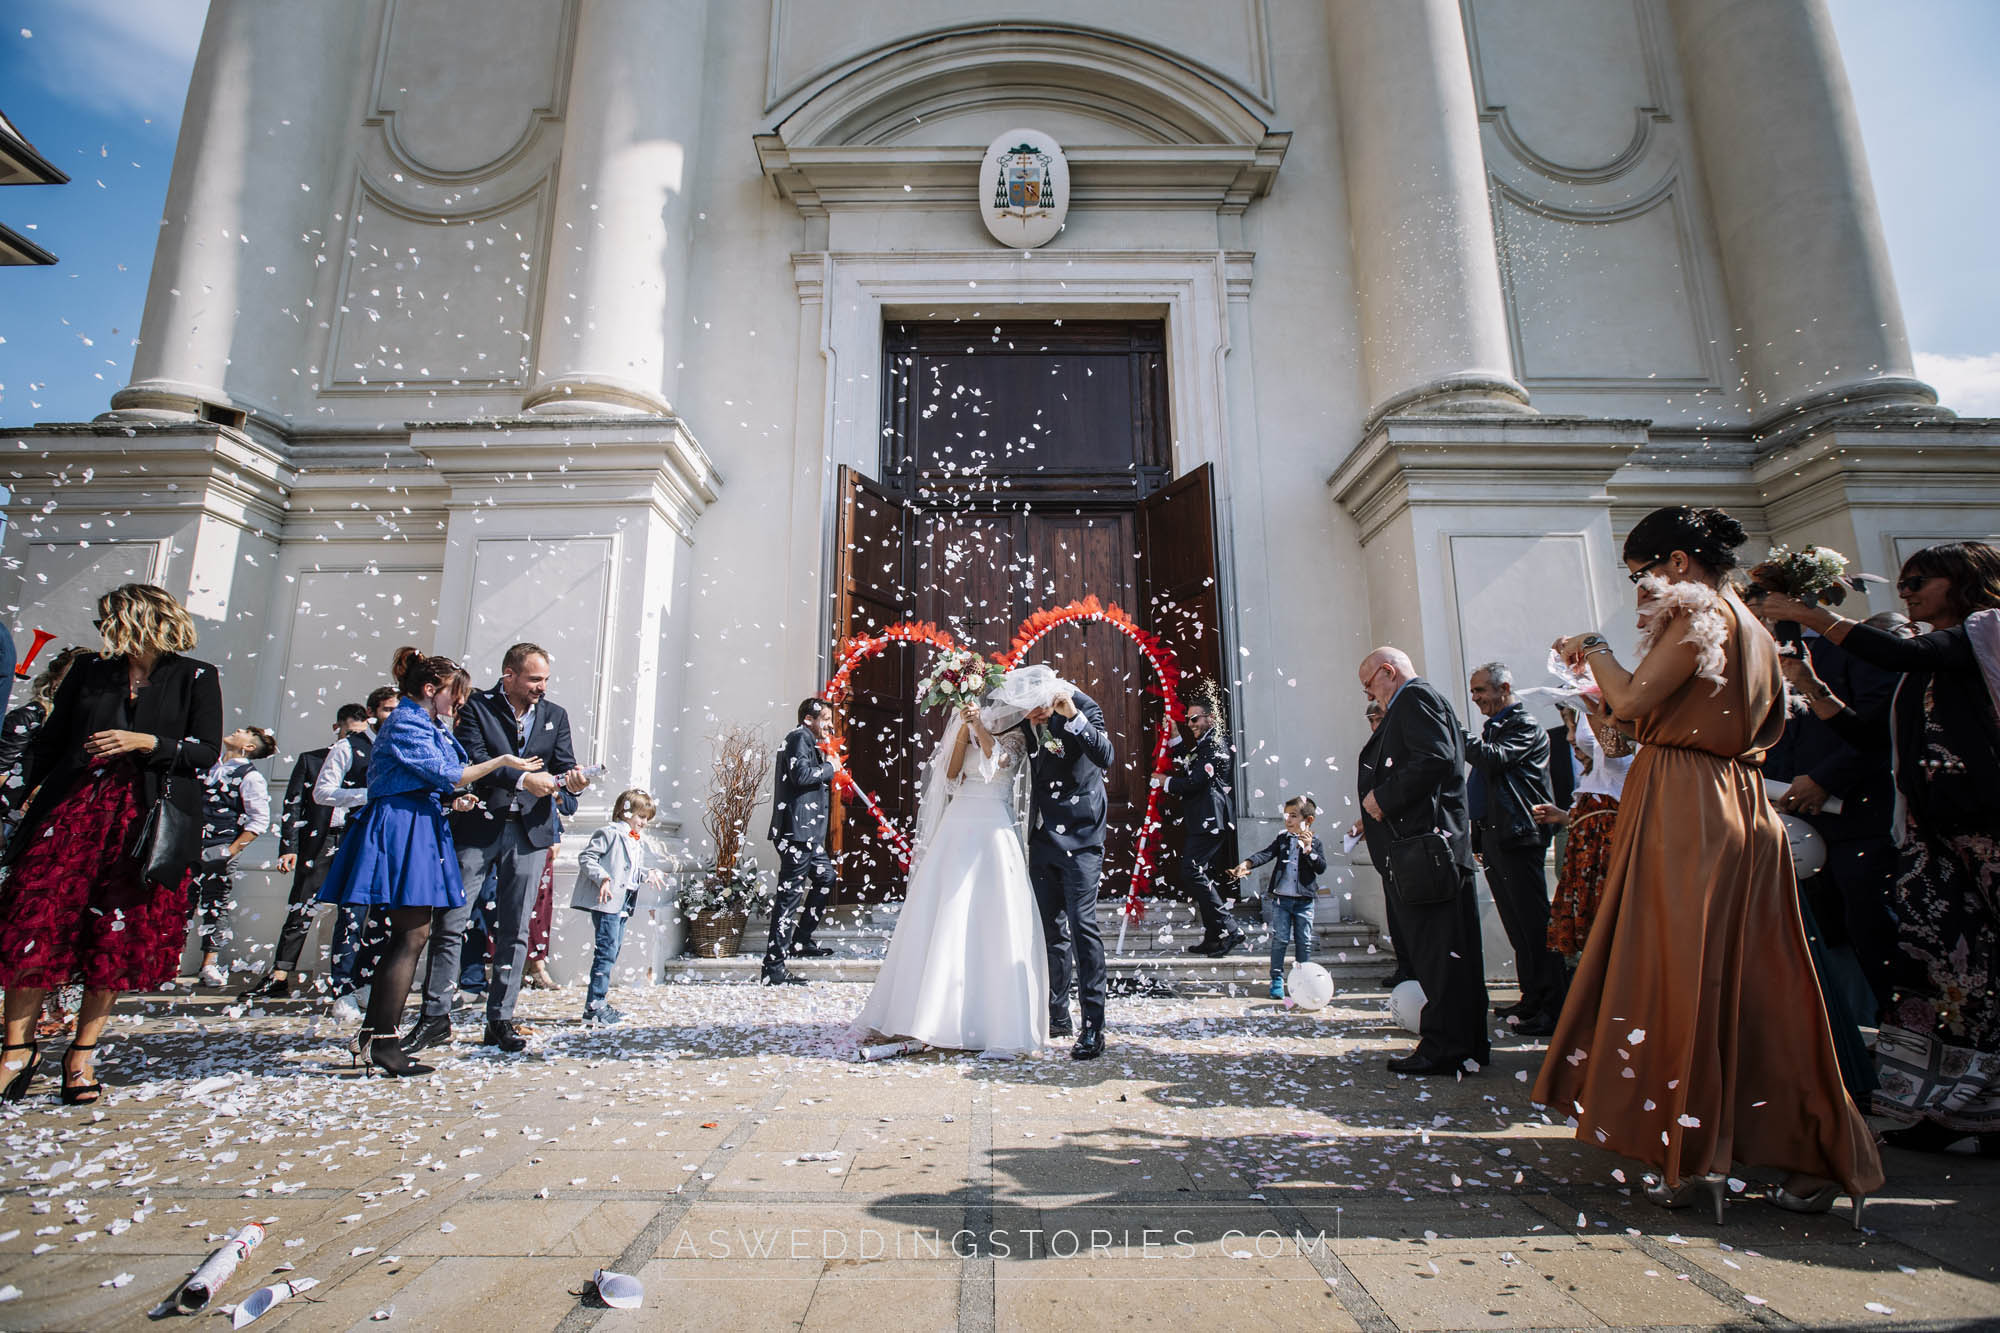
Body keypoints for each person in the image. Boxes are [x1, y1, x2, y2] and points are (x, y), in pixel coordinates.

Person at [1538, 505, 1882, 1225]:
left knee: (1679, 975)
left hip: (1686, 805)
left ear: (1678, 564)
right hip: (1740, 799)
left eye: (1641, 573)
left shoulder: (1696, 613)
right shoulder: (1753, 624)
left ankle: (1689, 1154)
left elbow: (1632, 699)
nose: (1640, 591)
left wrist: (1593, 645)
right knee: (1759, 981)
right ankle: (1804, 1155)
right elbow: (1648, 712)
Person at [1757, 540, 2000, 1154]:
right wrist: (1812, 686)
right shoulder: (1923, 665)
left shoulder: (1981, 634)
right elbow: (1866, 734)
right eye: (1905, 581)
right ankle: (1949, 1106)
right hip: (1934, 837)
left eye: (1921, 580)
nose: (1909, 591)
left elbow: (1891, 647)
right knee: (1939, 969)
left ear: (1965, 581)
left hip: (1987, 834)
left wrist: (1811, 613)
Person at [0, 584, 223, 1105]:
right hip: (75, 813)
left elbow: (206, 751)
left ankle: (82, 1052)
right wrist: (14, 793)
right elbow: (50, 744)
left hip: (143, 820)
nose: (103, 627)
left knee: (114, 934)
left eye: (111, 617)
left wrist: (148, 743)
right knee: (33, 925)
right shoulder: (90, 671)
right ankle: (16, 1049)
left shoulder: (195, 675)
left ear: (140, 619)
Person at [315, 647, 540, 1076]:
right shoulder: (404, 721)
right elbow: (450, 771)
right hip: (400, 826)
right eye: (456, 693)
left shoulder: (427, 722)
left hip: (420, 822)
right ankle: (383, 1041)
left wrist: (454, 799)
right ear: (429, 688)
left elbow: (443, 777)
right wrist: (503, 762)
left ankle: (372, 1035)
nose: (461, 702)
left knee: (410, 934)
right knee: (412, 935)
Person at [409, 643, 588, 1055]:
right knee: (451, 922)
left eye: (545, 679)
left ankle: (500, 1019)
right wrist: (524, 781)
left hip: (530, 831)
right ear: (509, 675)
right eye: (534, 679)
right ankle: (435, 1015)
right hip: (477, 829)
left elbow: (562, 765)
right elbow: (472, 758)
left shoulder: (555, 715)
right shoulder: (475, 707)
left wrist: (571, 785)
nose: (541, 687)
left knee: (515, 930)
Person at [852, 689, 1049, 1056]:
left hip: (993, 826)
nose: (997, 709)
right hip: (958, 824)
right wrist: (963, 728)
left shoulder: (1021, 735)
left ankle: (989, 1022)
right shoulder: (970, 726)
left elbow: (1000, 763)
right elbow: (953, 772)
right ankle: (928, 1016)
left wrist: (979, 727)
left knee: (992, 917)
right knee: (944, 914)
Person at [1356, 647, 1489, 1075]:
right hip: (1428, 851)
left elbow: (1435, 758)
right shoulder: (1420, 700)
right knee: (1449, 953)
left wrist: (1382, 797)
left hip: (1425, 852)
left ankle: (1444, 1046)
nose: (1371, 699)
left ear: (1388, 672)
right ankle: (1464, 1044)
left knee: (1438, 954)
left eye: (1369, 687)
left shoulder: (1414, 699)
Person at [1009, 664, 1116, 1061]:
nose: (1032, 718)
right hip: (1043, 836)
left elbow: (1105, 756)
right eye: (1027, 712)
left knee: (1082, 926)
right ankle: (1057, 1015)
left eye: (1036, 710)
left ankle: (1094, 1027)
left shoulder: (1083, 706)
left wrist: (1074, 718)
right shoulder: (1027, 717)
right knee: (1051, 931)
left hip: (1082, 836)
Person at [1463, 662, 1564, 1036]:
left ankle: (1553, 1006)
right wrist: (1477, 836)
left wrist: (1456, 734)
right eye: (1473, 692)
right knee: (1517, 926)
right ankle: (1532, 996)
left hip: (1520, 834)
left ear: (1504, 686)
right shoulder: (1496, 728)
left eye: (1480, 691)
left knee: (1535, 926)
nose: (1476, 699)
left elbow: (1493, 760)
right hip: (1497, 834)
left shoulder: (1524, 725)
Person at [246, 703, 370, 1000]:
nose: (352, 739)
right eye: (348, 732)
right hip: (320, 840)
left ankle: (349, 976)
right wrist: (288, 847)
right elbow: (293, 805)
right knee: (301, 907)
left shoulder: (371, 761)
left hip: (355, 837)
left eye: (358, 734)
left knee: (354, 911)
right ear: (337, 728)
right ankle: (280, 974)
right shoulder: (311, 760)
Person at [313, 686, 398, 1022]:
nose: (394, 716)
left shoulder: (403, 746)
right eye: (388, 710)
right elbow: (323, 792)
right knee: (353, 914)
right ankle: (343, 989)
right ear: (371, 712)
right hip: (361, 836)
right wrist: (368, 794)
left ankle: (367, 980)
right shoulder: (349, 747)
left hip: (393, 839)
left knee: (385, 913)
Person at [1531, 696, 1633, 967]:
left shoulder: (1618, 766)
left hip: (1605, 873)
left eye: (1573, 725)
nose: (1569, 738)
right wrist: (1564, 817)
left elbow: (1606, 746)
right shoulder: (1593, 776)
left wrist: (1588, 699)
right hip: (1586, 873)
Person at [1158, 676, 1241, 957]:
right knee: (1203, 874)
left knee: (1191, 870)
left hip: (1211, 819)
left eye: (1195, 719)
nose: (1190, 724)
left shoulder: (1216, 744)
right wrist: (1174, 736)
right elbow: (1191, 758)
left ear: (1211, 718)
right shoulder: (1206, 743)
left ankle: (1230, 928)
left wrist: (1164, 783)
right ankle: (1214, 935)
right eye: (1188, 720)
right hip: (1205, 819)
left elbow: (1195, 781)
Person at [188, 725, 276, 987]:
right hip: (190, 843)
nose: (237, 729)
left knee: (215, 903)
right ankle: (169, 960)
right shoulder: (207, 765)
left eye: (245, 732)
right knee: (180, 899)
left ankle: (209, 964)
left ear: (248, 747)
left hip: (220, 845)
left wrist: (231, 850)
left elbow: (259, 820)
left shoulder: (250, 777)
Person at [763, 698, 842, 985]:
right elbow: (801, 776)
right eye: (825, 718)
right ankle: (774, 968)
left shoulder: (809, 741)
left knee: (826, 877)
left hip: (809, 836)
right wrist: (830, 767)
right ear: (809, 719)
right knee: (788, 899)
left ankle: (802, 939)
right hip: (796, 834)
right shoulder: (798, 737)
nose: (830, 724)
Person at [570, 788, 664, 1026]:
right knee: (605, 953)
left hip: (624, 902)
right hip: (607, 902)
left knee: (611, 951)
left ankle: (599, 1003)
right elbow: (587, 858)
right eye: (641, 817)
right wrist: (602, 878)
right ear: (625, 812)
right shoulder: (609, 833)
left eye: (646, 818)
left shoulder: (634, 839)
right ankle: (594, 1007)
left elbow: (628, 871)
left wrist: (647, 873)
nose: (643, 823)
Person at [1229, 795, 1326, 1000]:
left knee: (1304, 941)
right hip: (1282, 900)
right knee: (1280, 939)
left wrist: (1308, 850)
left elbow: (1321, 867)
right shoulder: (1283, 839)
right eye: (1286, 815)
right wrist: (1246, 864)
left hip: (1304, 900)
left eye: (1293, 815)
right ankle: (1276, 980)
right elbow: (1266, 854)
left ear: (1308, 820)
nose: (1288, 820)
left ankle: (1302, 980)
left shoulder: (1315, 843)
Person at [0, 645, 90, 826]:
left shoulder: (79, 724)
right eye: (70, 676)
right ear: (54, 680)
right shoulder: (30, 716)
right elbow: (1, 771)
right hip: (9, 816)